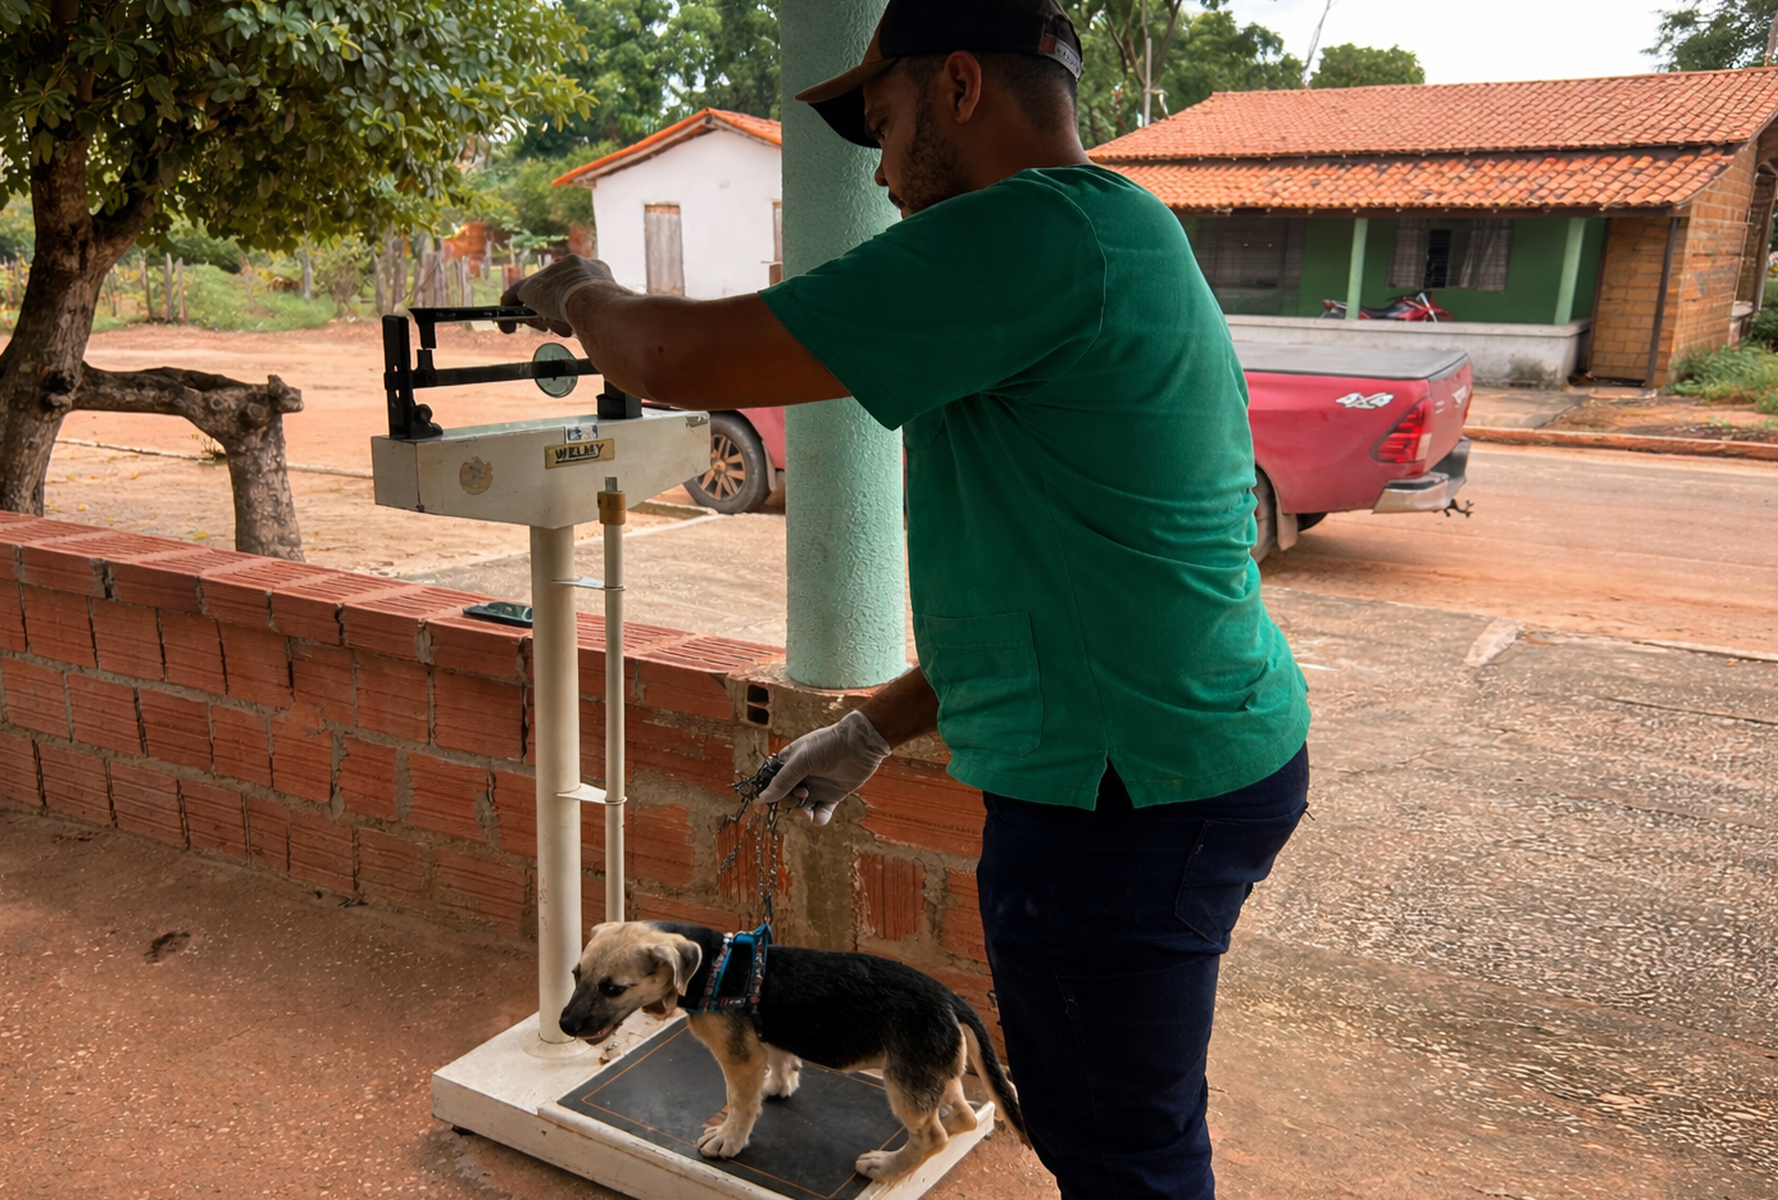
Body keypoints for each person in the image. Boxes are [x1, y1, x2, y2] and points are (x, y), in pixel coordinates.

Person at [502, 1, 1311, 1194]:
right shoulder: (1114, 232)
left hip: (1122, 802)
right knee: (1122, 1106)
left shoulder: (1023, 231)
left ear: (964, 88)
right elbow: (1066, 586)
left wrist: (582, 292)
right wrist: (874, 724)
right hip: (1179, 754)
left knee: (1115, 1148)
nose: (878, 173)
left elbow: (679, 360)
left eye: (882, 125)